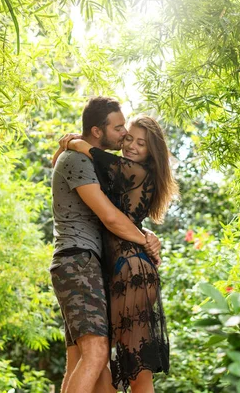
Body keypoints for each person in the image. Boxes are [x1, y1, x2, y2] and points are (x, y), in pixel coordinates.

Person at [57, 114, 178, 392]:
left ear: (151, 152)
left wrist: (76, 142)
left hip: (131, 269)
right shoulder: (118, 173)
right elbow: (72, 166)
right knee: (99, 360)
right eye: (129, 138)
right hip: (119, 269)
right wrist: (67, 144)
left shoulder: (134, 171)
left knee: (138, 372)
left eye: (142, 143)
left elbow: (94, 154)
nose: (132, 146)